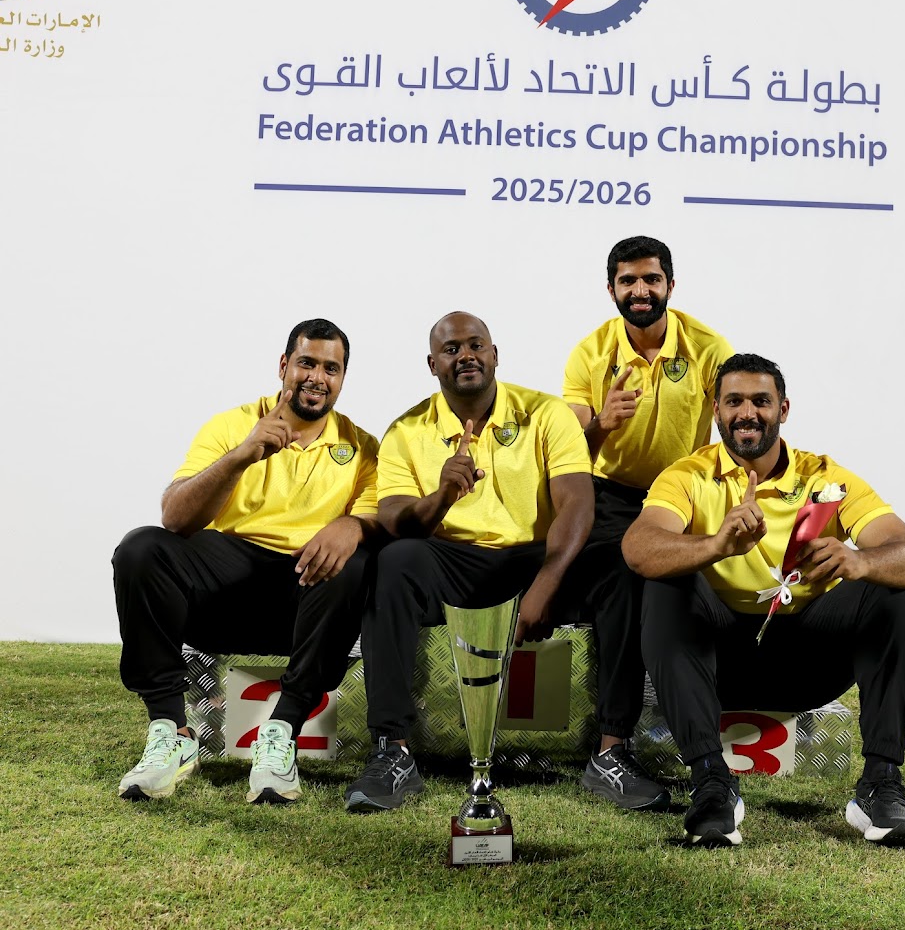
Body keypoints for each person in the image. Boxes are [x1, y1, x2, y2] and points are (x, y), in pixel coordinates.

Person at [345, 311, 667, 812]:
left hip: (534, 557)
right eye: (452, 349)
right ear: (433, 364)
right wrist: (442, 497)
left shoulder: (545, 413)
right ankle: (393, 751)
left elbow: (579, 503)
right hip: (453, 558)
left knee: (618, 567)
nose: (466, 356)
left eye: (476, 345)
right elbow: (395, 522)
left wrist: (546, 582)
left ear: (495, 355)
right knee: (395, 561)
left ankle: (612, 753)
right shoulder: (406, 430)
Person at [622, 353, 905, 848]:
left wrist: (860, 562)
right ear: (717, 410)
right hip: (718, 665)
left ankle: (881, 783)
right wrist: (716, 546)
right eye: (734, 401)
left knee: (890, 592)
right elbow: (638, 549)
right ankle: (712, 782)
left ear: (783, 409)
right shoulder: (687, 475)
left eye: (761, 401)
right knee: (664, 581)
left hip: (806, 662)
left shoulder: (824, 476)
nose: (748, 412)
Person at [113, 318, 381, 805]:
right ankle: (171, 731)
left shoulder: (362, 447)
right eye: (306, 363)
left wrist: (352, 525)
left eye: (331, 368)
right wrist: (242, 454)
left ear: (343, 378)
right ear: (283, 366)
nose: (317, 377)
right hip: (225, 588)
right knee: (140, 548)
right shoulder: (233, 424)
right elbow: (175, 517)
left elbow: (381, 515)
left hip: (303, 600)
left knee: (356, 562)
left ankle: (280, 734)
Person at [562, 235, 733, 804]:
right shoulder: (590, 353)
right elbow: (569, 453)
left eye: (651, 280)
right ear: (611, 289)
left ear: (670, 286)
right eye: (628, 281)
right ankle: (611, 751)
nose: (640, 291)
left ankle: (705, 741)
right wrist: (601, 424)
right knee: (628, 578)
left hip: (681, 496)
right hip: (609, 496)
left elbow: (738, 428)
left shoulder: (709, 347)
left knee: (700, 583)